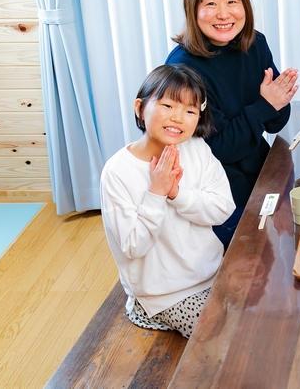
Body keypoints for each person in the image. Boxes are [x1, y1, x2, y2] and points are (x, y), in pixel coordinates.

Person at [166, 0, 299, 248]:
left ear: (245, 6)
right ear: (193, 10)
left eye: (231, 1)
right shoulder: (184, 70)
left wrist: (274, 102)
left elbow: (276, 120)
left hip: (257, 171)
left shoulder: (254, 44)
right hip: (215, 190)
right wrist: (266, 105)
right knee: (251, 268)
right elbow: (219, 148)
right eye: (210, 4)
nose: (223, 14)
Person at [100, 64, 235, 338]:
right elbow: (133, 246)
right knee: (222, 337)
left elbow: (223, 208)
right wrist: (157, 193)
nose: (178, 118)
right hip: (165, 294)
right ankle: (141, 310)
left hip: (213, 272)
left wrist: (177, 194)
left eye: (189, 111)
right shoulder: (117, 172)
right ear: (140, 108)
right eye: (167, 105)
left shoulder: (196, 148)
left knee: (266, 312)